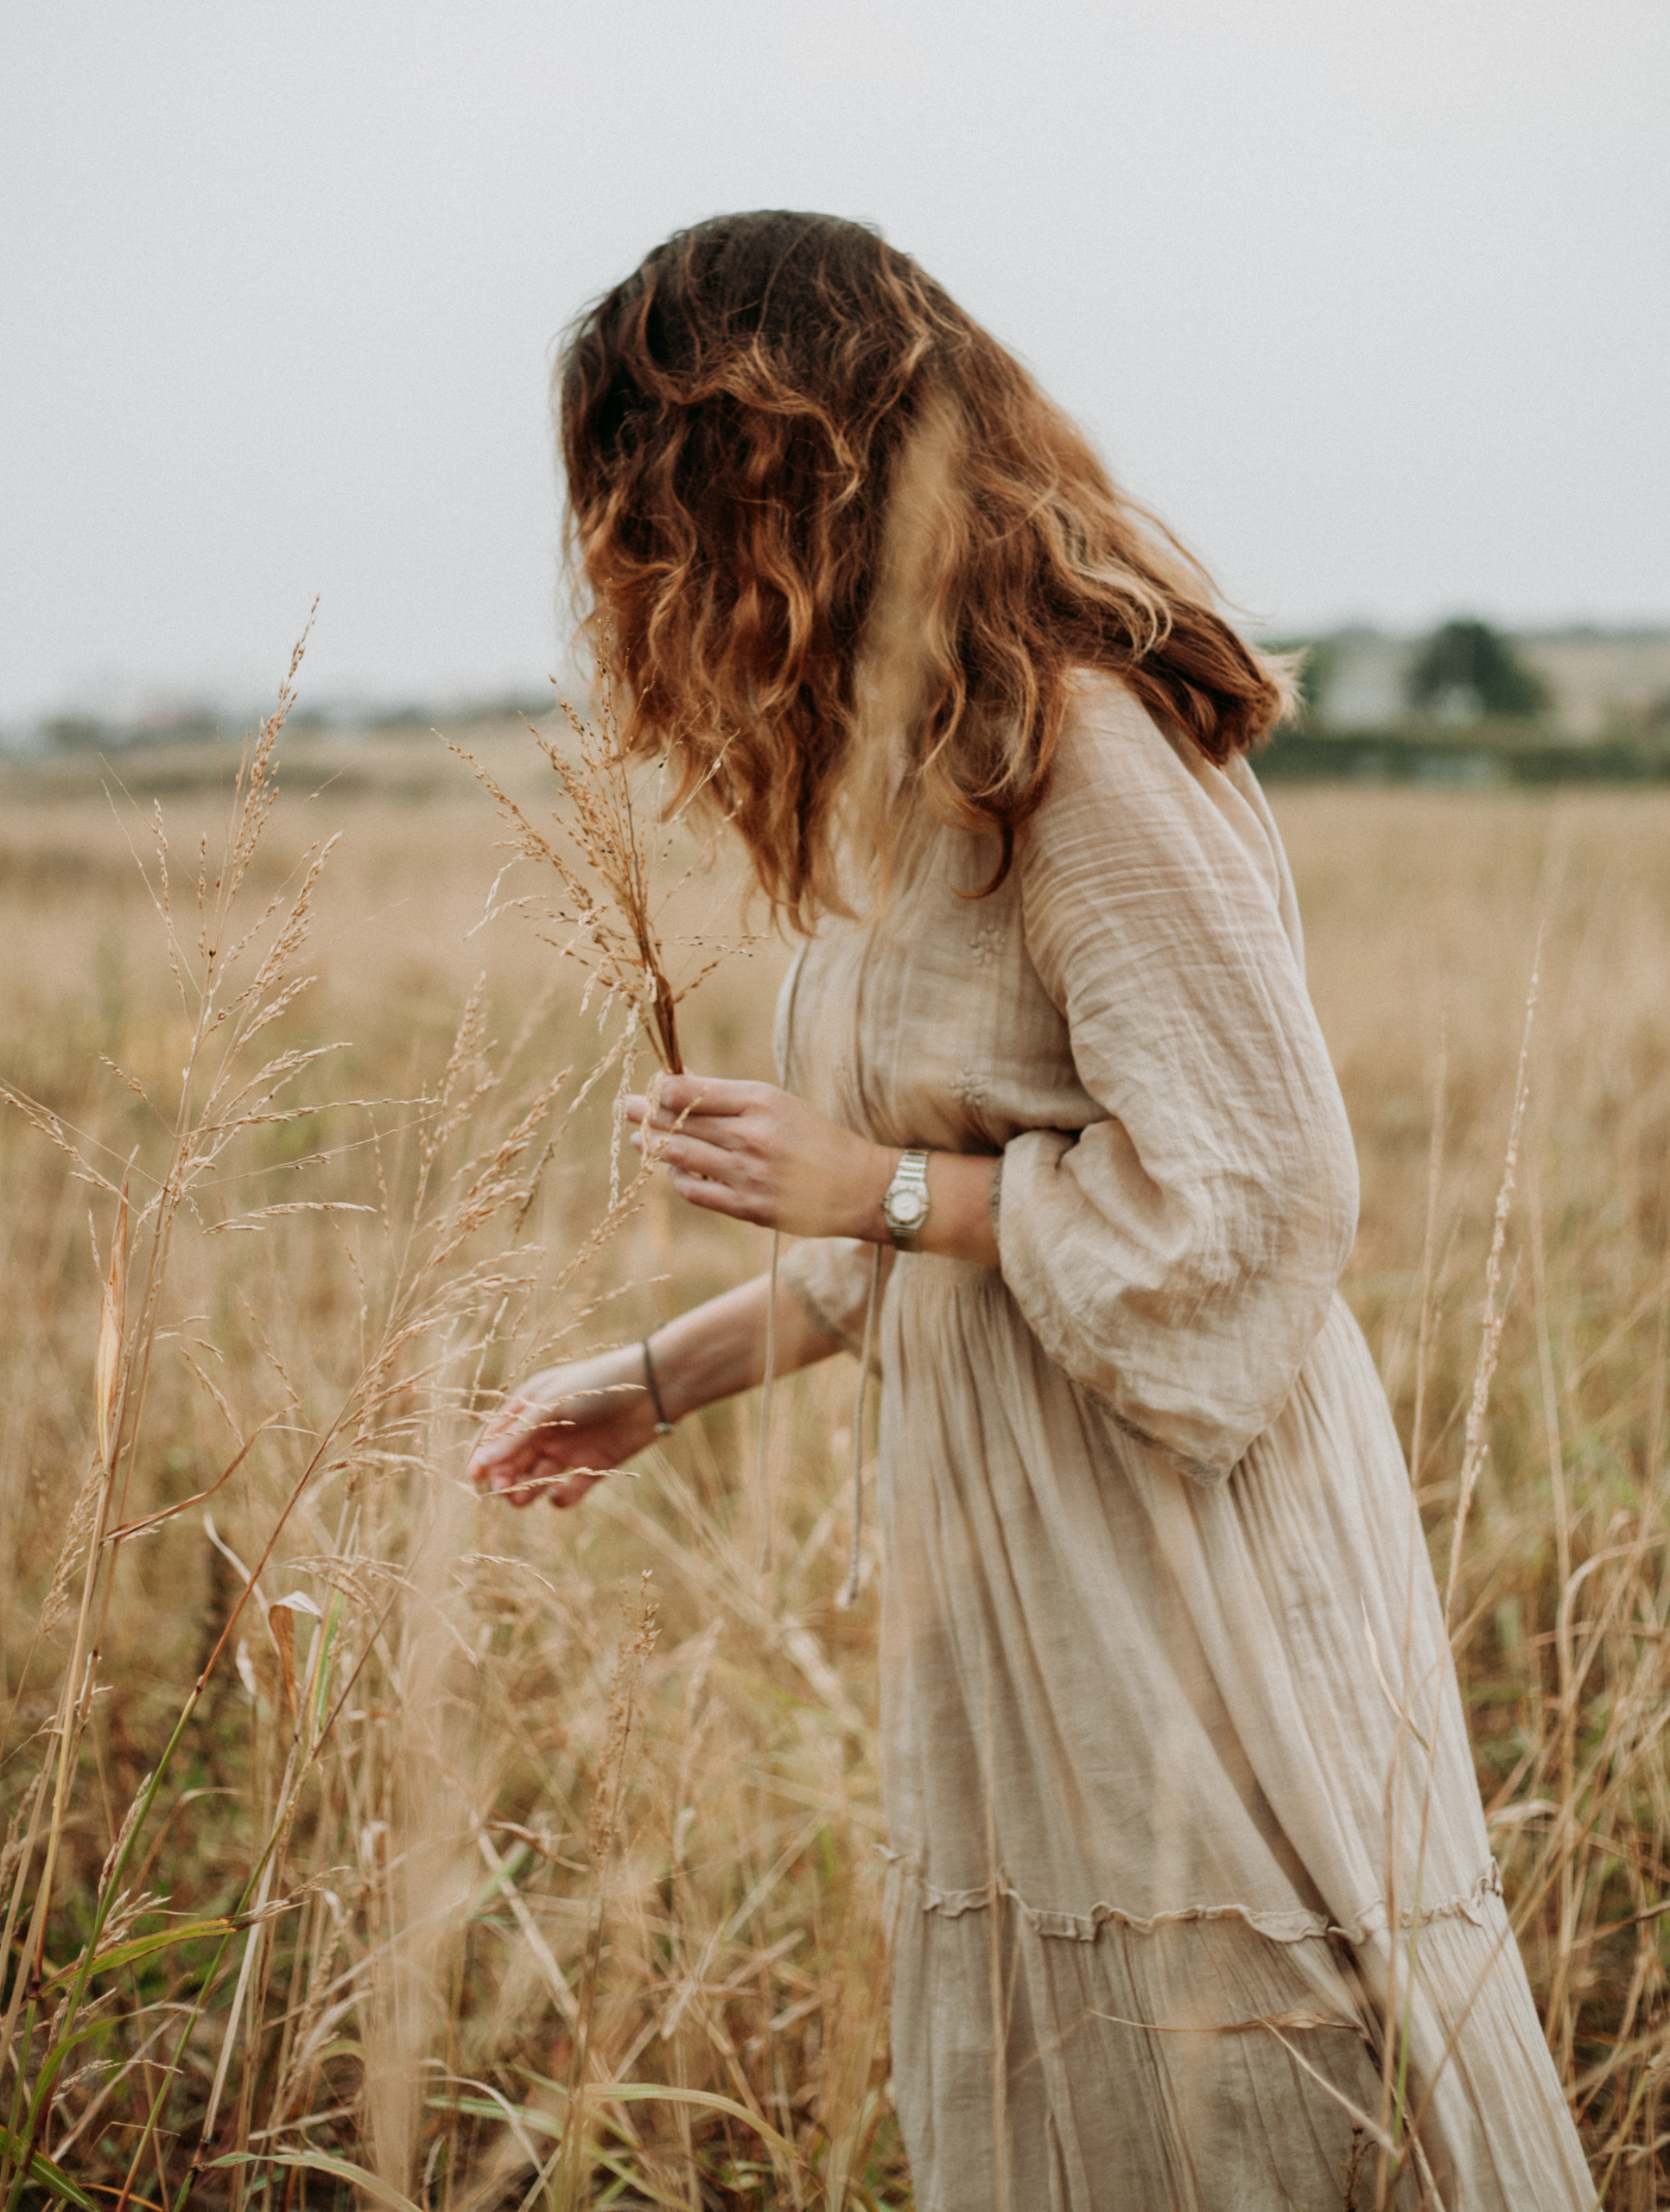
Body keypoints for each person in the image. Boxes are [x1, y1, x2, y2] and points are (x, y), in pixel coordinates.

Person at [467, 212, 1593, 2210]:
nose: (624, 574)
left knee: (1264, 2066)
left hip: (1171, 1540)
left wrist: (882, 1180)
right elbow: (911, 1236)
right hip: (1020, 1547)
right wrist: (657, 1380)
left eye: (648, 504)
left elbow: (1256, 1199)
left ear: (775, 473)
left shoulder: (1083, 748)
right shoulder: (927, 771)